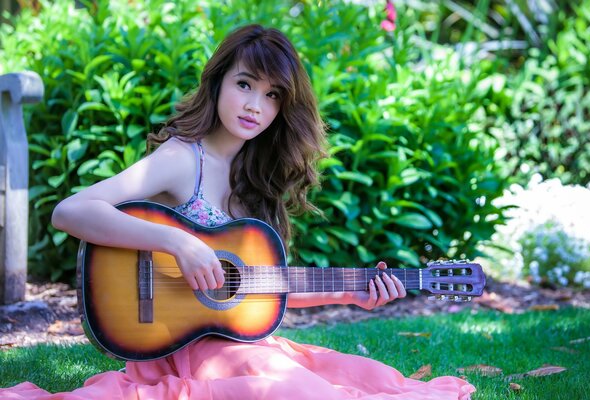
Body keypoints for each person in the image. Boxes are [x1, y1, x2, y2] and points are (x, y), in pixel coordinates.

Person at [1, 24, 475, 399]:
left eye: (272, 96)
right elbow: (71, 210)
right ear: (218, 81)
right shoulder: (182, 158)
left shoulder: (256, 183)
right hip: (175, 348)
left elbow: (259, 287)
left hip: (237, 346)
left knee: (352, 383)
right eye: (245, 84)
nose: (255, 105)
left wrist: (354, 294)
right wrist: (177, 242)